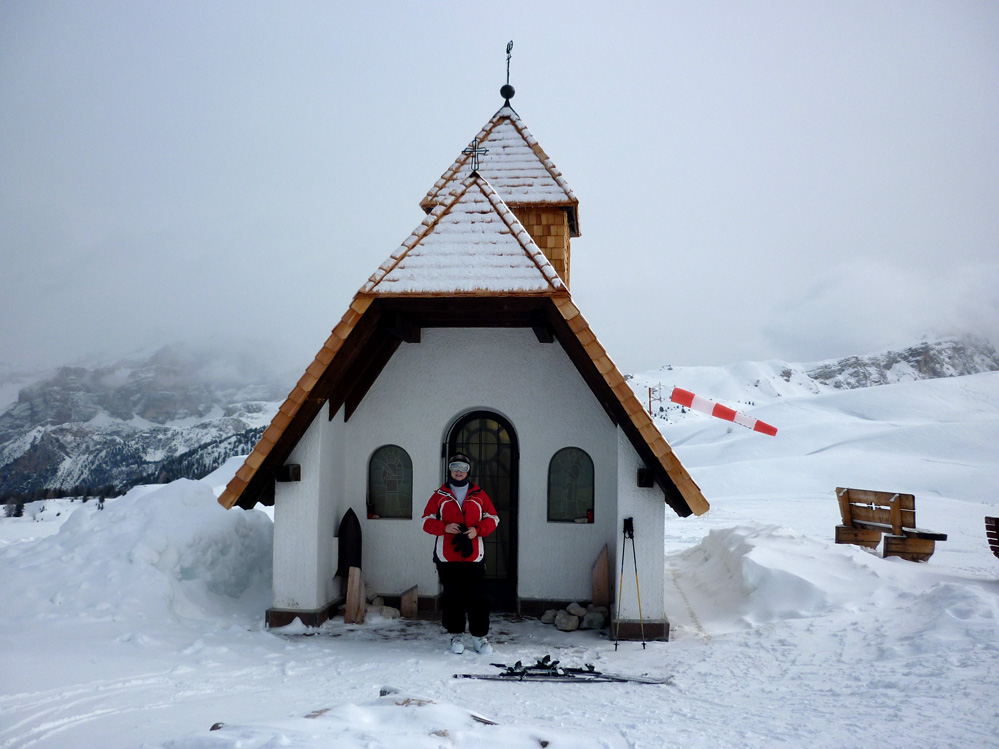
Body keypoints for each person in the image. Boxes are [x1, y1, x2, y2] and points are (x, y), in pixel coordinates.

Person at [421, 453, 500, 654]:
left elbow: (493, 518)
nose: (458, 471)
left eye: (463, 468)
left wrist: (478, 530)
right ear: (450, 470)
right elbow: (425, 521)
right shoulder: (439, 495)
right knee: (453, 596)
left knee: (478, 597)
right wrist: (444, 527)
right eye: (455, 467)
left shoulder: (479, 494)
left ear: (468, 471)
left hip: (474, 556)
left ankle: (479, 637)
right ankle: (456, 634)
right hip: (447, 556)